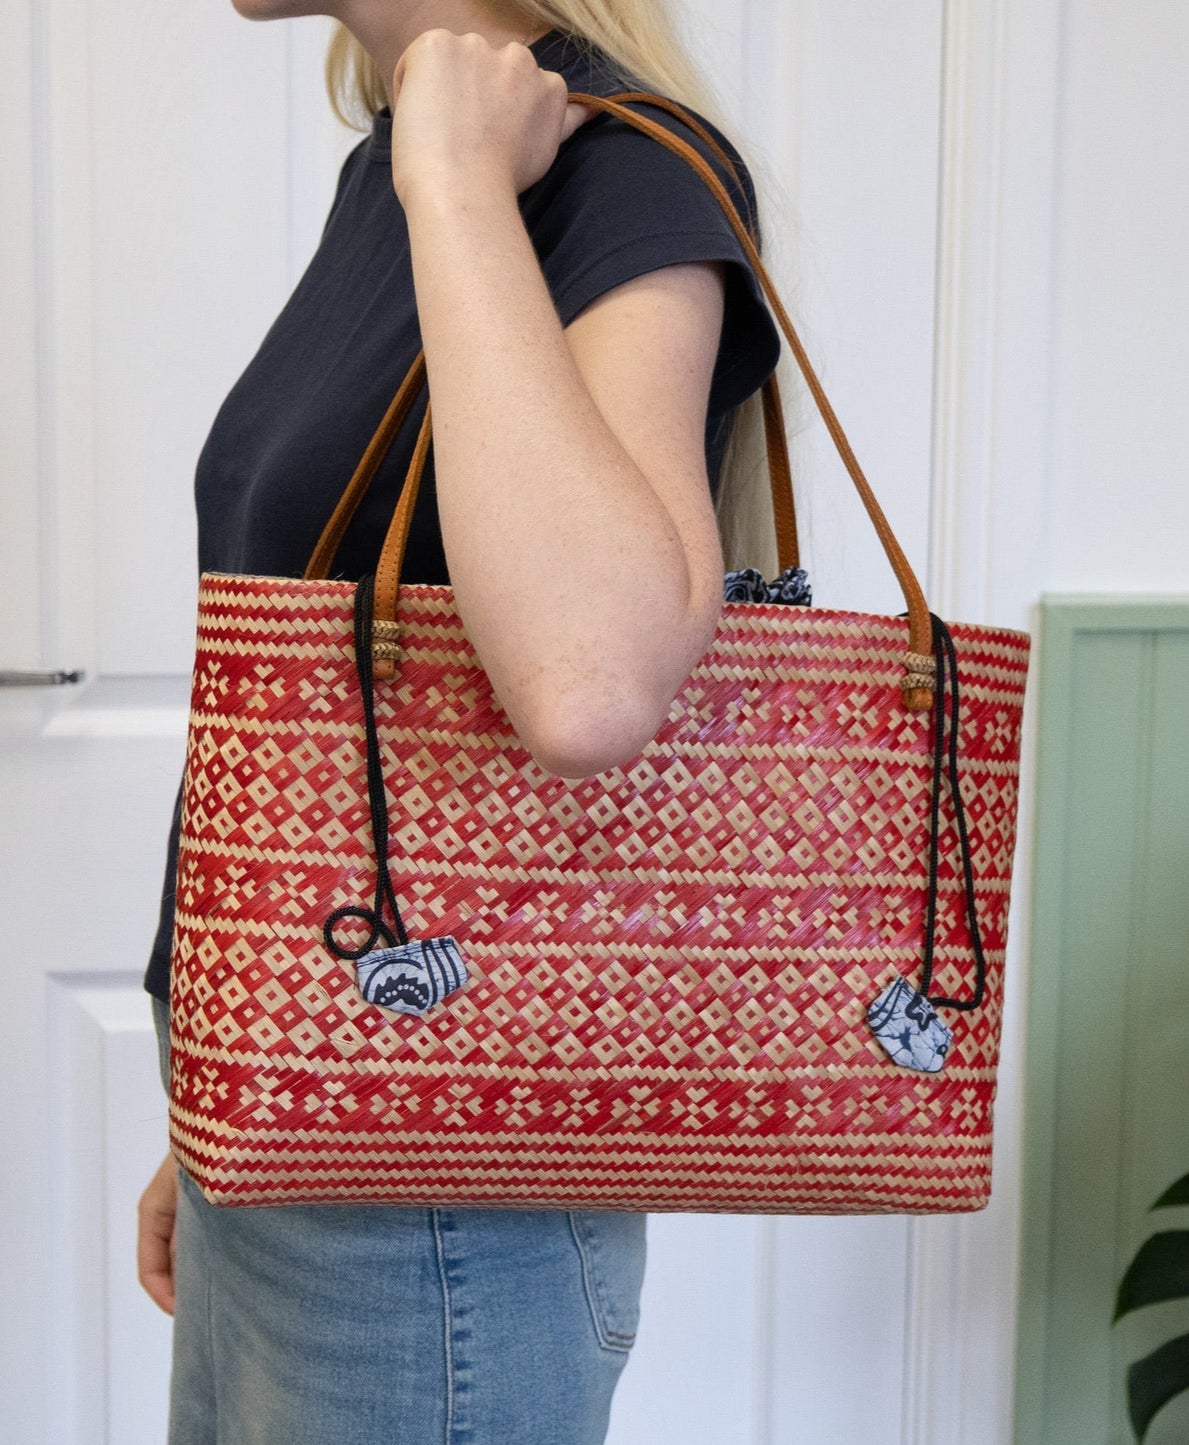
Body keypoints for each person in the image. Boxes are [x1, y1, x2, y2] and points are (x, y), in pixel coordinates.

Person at [136, 2, 783, 1440]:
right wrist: (221, 1101)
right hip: (296, 1127)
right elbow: (323, 698)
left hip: (429, 1205)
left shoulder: (608, 170)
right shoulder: (411, 149)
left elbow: (589, 679)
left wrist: (460, 184)